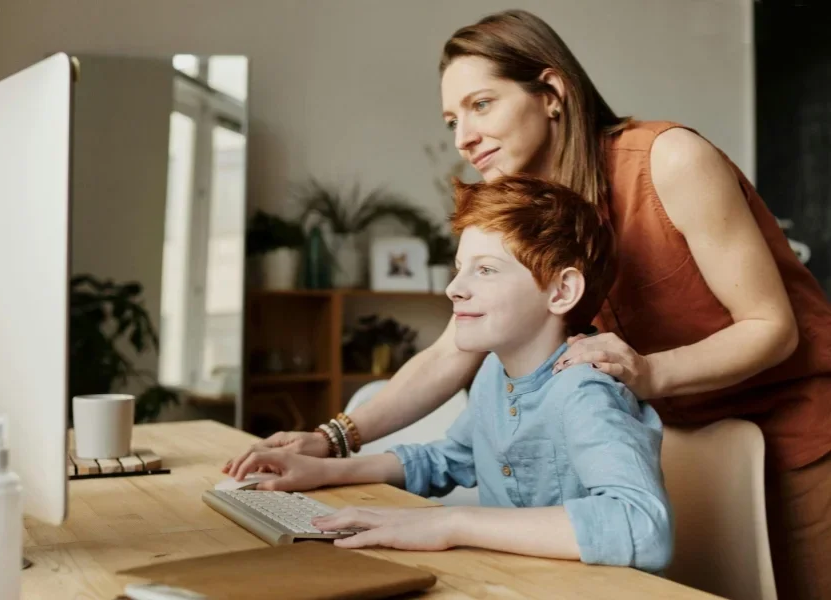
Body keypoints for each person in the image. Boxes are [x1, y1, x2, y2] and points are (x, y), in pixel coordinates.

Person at [229, 10, 831, 598]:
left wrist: (649, 373)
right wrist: (334, 439)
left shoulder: (669, 159)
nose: (462, 136)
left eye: (481, 104)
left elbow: (771, 327)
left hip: (794, 430)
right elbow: (451, 352)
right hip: (675, 437)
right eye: (450, 120)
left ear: (551, 92)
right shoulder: (521, 202)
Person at [231, 175, 674, 572]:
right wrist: (325, 470)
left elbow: (642, 525)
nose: (454, 287)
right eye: (460, 268)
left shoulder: (585, 390)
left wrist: (450, 524)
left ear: (561, 291)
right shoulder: (493, 376)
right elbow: (451, 459)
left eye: (484, 270)